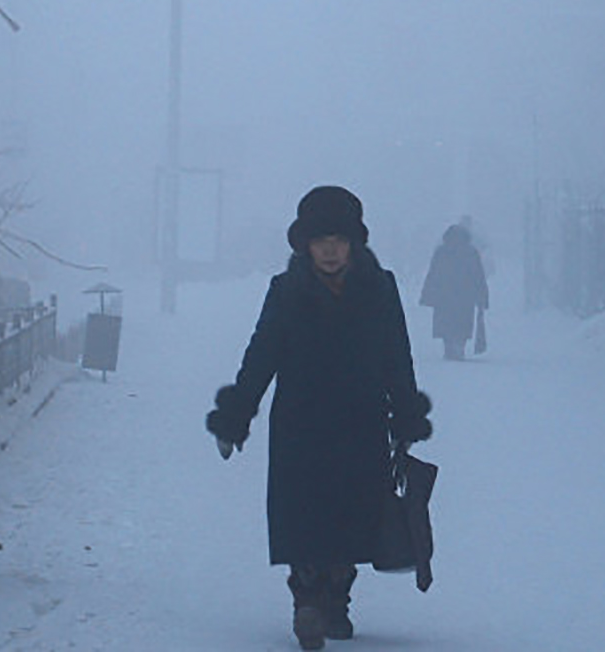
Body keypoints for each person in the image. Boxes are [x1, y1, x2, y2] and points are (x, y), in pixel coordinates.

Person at [206, 185, 432, 651]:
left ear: (354, 243)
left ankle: (337, 602)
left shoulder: (379, 288)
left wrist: (406, 416)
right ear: (304, 244)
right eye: (320, 240)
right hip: (300, 426)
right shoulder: (285, 291)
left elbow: (397, 356)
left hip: (361, 422)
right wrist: (237, 413)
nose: (330, 249)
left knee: (352, 517)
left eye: (339, 239)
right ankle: (306, 603)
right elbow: (261, 355)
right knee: (304, 517)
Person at [419, 222, 489, 360]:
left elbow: (433, 273)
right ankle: (458, 347)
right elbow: (478, 276)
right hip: (465, 297)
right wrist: (482, 296)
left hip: (445, 296)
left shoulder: (442, 251)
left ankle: (449, 347)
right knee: (462, 324)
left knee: (446, 324)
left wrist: (428, 294)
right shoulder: (470, 252)